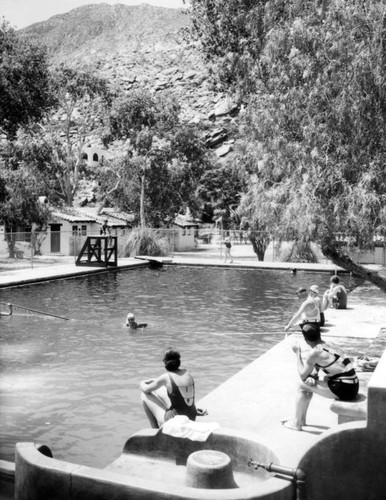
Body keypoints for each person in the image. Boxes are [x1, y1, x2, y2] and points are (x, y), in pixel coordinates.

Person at [282, 323, 359, 431]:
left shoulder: (314, 352)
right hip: (353, 385)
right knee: (309, 383)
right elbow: (317, 367)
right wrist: (313, 376)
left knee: (301, 385)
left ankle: (296, 423)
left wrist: (298, 353)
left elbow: (302, 375)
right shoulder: (329, 344)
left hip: (345, 389)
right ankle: (301, 420)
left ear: (305, 339)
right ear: (319, 334)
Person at [140, 349, 207, 428]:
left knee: (144, 395)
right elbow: (171, 382)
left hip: (175, 420)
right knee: (161, 390)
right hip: (191, 416)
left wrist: (142, 382)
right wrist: (156, 380)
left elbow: (145, 389)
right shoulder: (187, 372)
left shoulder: (165, 377)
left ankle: (154, 430)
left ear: (165, 363)